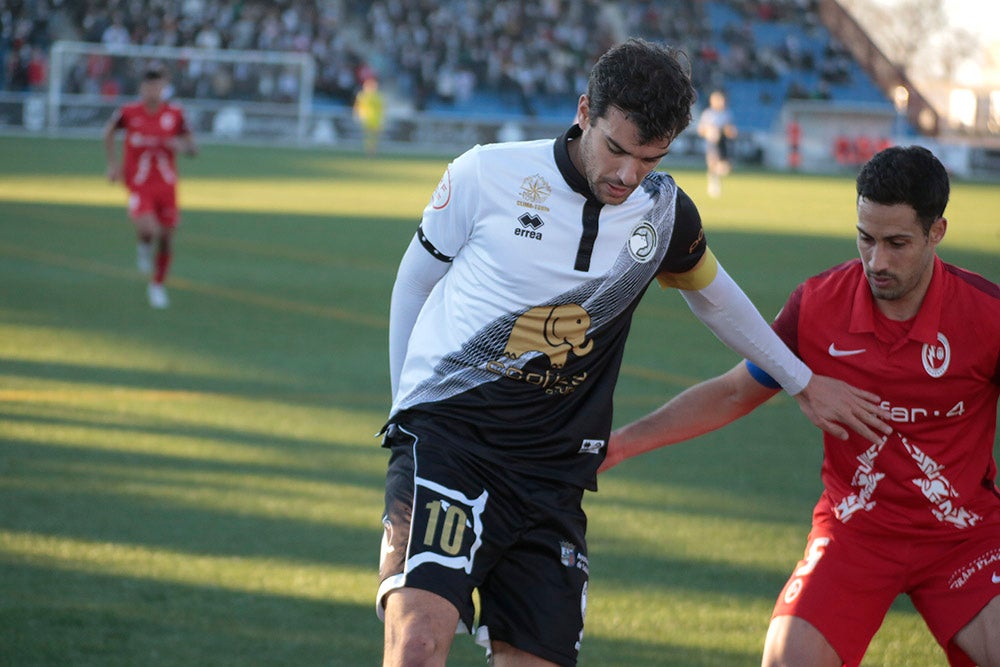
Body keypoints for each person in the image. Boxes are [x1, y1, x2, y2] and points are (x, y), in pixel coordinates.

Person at [379, 38, 890, 667]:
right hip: (453, 444)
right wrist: (407, 408)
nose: (627, 175)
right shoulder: (487, 174)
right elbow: (415, 281)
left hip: (554, 475)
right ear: (584, 109)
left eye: (648, 159)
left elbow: (716, 298)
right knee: (416, 643)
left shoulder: (663, 213)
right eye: (616, 149)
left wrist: (800, 380)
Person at [601, 146, 1000, 667]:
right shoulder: (818, 305)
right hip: (854, 534)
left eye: (897, 243)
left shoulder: (985, 314)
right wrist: (622, 444)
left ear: (937, 232)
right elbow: (732, 392)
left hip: (964, 537)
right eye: (866, 238)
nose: (876, 261)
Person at [103, 63, 197, 309]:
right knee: (149, 229)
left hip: (167, 185)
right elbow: (109, 132)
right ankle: (144, 246)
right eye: (149, 85)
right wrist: (112, 165)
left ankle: (157, 285)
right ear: (142, 88)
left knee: (167, 237)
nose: (153, 90)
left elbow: (193, 148)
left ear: (164, 88)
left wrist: (183, 146)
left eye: (158, 85)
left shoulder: (175, 114)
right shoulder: (128, 112)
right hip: (139, 183)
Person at [696, 89, 737, 198]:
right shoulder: (708, 114)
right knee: (712, 162)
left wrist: (728, 131)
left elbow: (729, 130)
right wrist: (710, 131)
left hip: (723, 142)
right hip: (711, 142)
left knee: (725, 167)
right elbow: (701, 130)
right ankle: (713, 185)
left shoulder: (726, 114)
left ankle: (715, 179)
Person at [354, 76, 385, 156]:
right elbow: (357, 106)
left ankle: (373, 150)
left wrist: (382, 118)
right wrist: (357, 114)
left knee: (374, 136)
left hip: (376, 119)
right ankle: (368, 150)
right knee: (368, 136)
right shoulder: (362, 95)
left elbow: (381, 108)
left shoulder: (378, 96)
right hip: (366, 118)